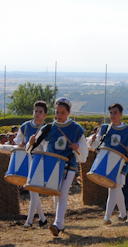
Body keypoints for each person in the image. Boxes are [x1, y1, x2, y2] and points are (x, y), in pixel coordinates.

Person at [27, 97, 87, 237]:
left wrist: (77, 146)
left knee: (63, 193)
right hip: (52, 163)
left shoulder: (76, 128)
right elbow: (37, 147)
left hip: (68, 165)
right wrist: (32, 142)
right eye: (57, 112)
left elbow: (83, 147)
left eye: (62, 112)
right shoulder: (48, 128)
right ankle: (60, 223)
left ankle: (57, 223)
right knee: (56, 194)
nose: (59, 115)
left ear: (69, 113)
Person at [88, 103, 128, 225]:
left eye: (115, 113)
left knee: (114, 187)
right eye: (111, 113)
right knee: (116, 188)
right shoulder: (105, 128)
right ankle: (123, 215)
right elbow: (96, 144)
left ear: (121, 114)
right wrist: (92, 140)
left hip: (121, 163)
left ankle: (107, 217)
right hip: (106, 161)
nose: (112, 115)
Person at [16, 100, 49, 229]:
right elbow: (19, 140)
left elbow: (46, 146)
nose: (37, 113)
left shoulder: (47, 129)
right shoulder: (25, 126)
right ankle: (42, 219)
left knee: (33, 190)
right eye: (36, 111)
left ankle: (29, 221)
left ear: (45, 114)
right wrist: (22, 143)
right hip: (28, 158)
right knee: (32, 190)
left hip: (40, 159)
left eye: (40, 112)